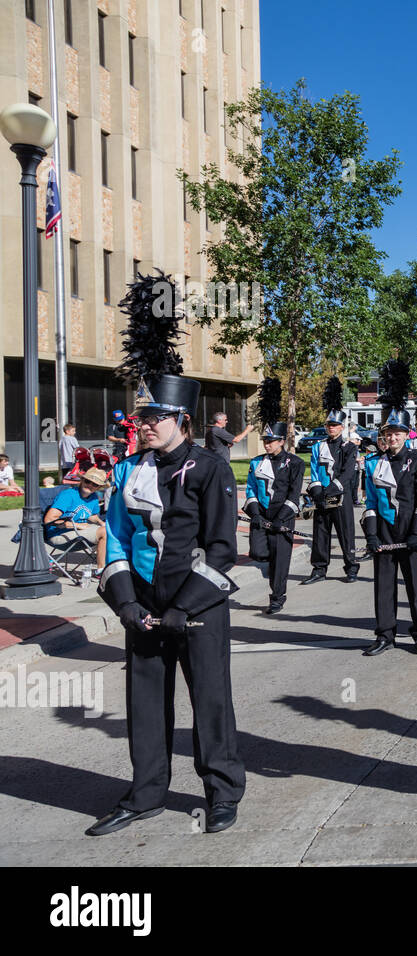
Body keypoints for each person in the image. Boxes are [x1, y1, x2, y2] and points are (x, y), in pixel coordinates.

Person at [91, 274, 244, 836]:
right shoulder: (128, 468)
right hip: (144, 607)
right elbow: (115, 539)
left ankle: (222, 790)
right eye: (141, 416)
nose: (145, 424)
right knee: (146, 707)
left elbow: (223, 550)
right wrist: (126, 604)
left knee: (211, 704)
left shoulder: (210, 469)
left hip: (197, 607)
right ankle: (146, 792)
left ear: (181, 419)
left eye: (155, 416)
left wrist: (183, 607)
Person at [361, 372, 417, 656]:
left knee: (416, 588)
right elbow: (369, 500)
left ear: (407, 435)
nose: (392, 438)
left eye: (397, 433)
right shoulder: (372, 463)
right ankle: (384, 635)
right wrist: (370, 534)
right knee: (383, 588)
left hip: (412, 531)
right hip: (384, 531)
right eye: (388, 433)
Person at [243, 421, 304, 615]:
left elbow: (294, 494)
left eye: (271, 441)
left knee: (280, 560)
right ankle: (275, 578)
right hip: (261, 516)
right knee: (259, 553)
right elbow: (251, 488)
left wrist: (282, 518)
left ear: (282, 441)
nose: (267, 444)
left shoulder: (295, 462)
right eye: (265, 440)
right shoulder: (256, 462)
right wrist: (255, 514)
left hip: (283, 517)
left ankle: (277, 598)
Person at [302, 395, 361, 587]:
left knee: (346, 534)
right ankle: (319, 569)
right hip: (321, 496)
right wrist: (317, 491)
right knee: (320, 533)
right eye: (329, 425)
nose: (331, 428)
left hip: (340, 496)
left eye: (335, 425)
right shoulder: (318, 447)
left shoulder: (349, 447)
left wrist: (330, 490)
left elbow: (348, 473)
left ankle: (351, 567)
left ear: (342, 427)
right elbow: (314, 470)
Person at [44, 467, 110, 571]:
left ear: (98, 487)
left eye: (95, 484)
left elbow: (90, 515)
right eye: (88, 481)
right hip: (59, 535)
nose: (90, 485)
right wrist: (78, 525)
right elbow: (49, 519)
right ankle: (101, 571)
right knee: (105, 532)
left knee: (111, 529)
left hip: (77, 533)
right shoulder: (68, 495)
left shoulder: (93, 497)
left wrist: (100, 522)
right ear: (82, 480)